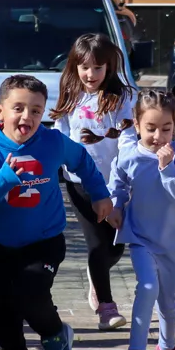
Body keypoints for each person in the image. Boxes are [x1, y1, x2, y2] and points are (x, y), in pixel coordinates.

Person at [0, 74, 113, 350]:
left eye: (35, 110)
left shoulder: (53, 142)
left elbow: (83, 161)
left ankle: (55, 334)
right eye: (18, 108)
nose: (27, 117)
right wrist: (3, 177)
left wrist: (100, 192)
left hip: (44, 240)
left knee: (30, 294)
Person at [109, 90, 175, 350]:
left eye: (166, 129)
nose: (158, 136)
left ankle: (167, 349)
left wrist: (167, 168)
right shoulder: (129, 153)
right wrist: (115, 206)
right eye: (151, 128)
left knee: (168, 300)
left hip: (174, 238)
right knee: (147, 286)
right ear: (136, 124)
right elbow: (118, 182)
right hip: (140, 235)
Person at [50, 34, 136, 331]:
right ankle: (107, 309)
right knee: (97, 244)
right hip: (79, 182)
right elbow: (59, 132)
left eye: (98, 68)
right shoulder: (69, 94)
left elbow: (127, 137)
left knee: (114, 246)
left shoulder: (122, 97)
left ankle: (95, 275)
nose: (91, 74)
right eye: (84, 67)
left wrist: (127, 171)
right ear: (74, 67)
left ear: (109, 68)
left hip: (115, 182)